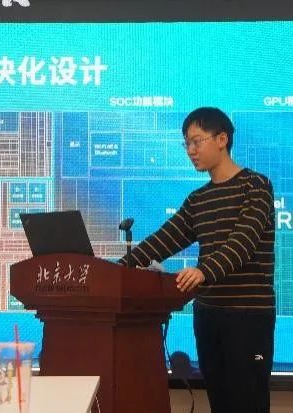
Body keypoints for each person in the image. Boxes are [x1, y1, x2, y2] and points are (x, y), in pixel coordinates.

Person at [119, 107, 276, 413]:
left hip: (248, 317)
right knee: (220, 402)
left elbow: (243, 241)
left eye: (196, 141)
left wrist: (204, 271)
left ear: (222, 139)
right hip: (208, 315)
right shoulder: (198, 199)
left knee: (248, 402)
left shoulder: (255, 186)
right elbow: (162, 241)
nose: (190, 150)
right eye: (186, 144)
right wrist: (113, 270)